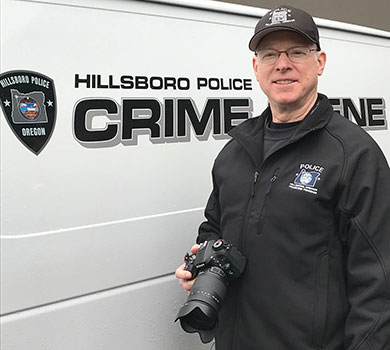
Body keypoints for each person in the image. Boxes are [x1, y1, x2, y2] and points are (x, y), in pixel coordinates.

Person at [176, 5, 390, 350]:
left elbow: (379, 283)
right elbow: (214, 227)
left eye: (296, 52)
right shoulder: (235, 152)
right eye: (270, 54)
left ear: (319, 62)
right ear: (256, 67)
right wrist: (201, 262)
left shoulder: (354, 155)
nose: (282, 64)